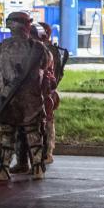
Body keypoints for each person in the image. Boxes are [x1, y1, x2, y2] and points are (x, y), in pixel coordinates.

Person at [0, 12, 55, 182]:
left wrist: (3, 85)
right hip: (32, 98)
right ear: (26, 26)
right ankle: (38, 168)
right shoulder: (38, 48)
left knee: (7, 135)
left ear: (10, 25)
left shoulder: (1, 48)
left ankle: (3, 170)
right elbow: (47, 65)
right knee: (33, 133)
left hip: (10, 98)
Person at [36, 21, 68, 164]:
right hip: (43, 92)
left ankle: (47, 152)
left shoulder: (48, 51)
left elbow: (54, 75)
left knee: (47, 123)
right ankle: (43, 153)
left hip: (46, 92)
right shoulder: (47, 49)